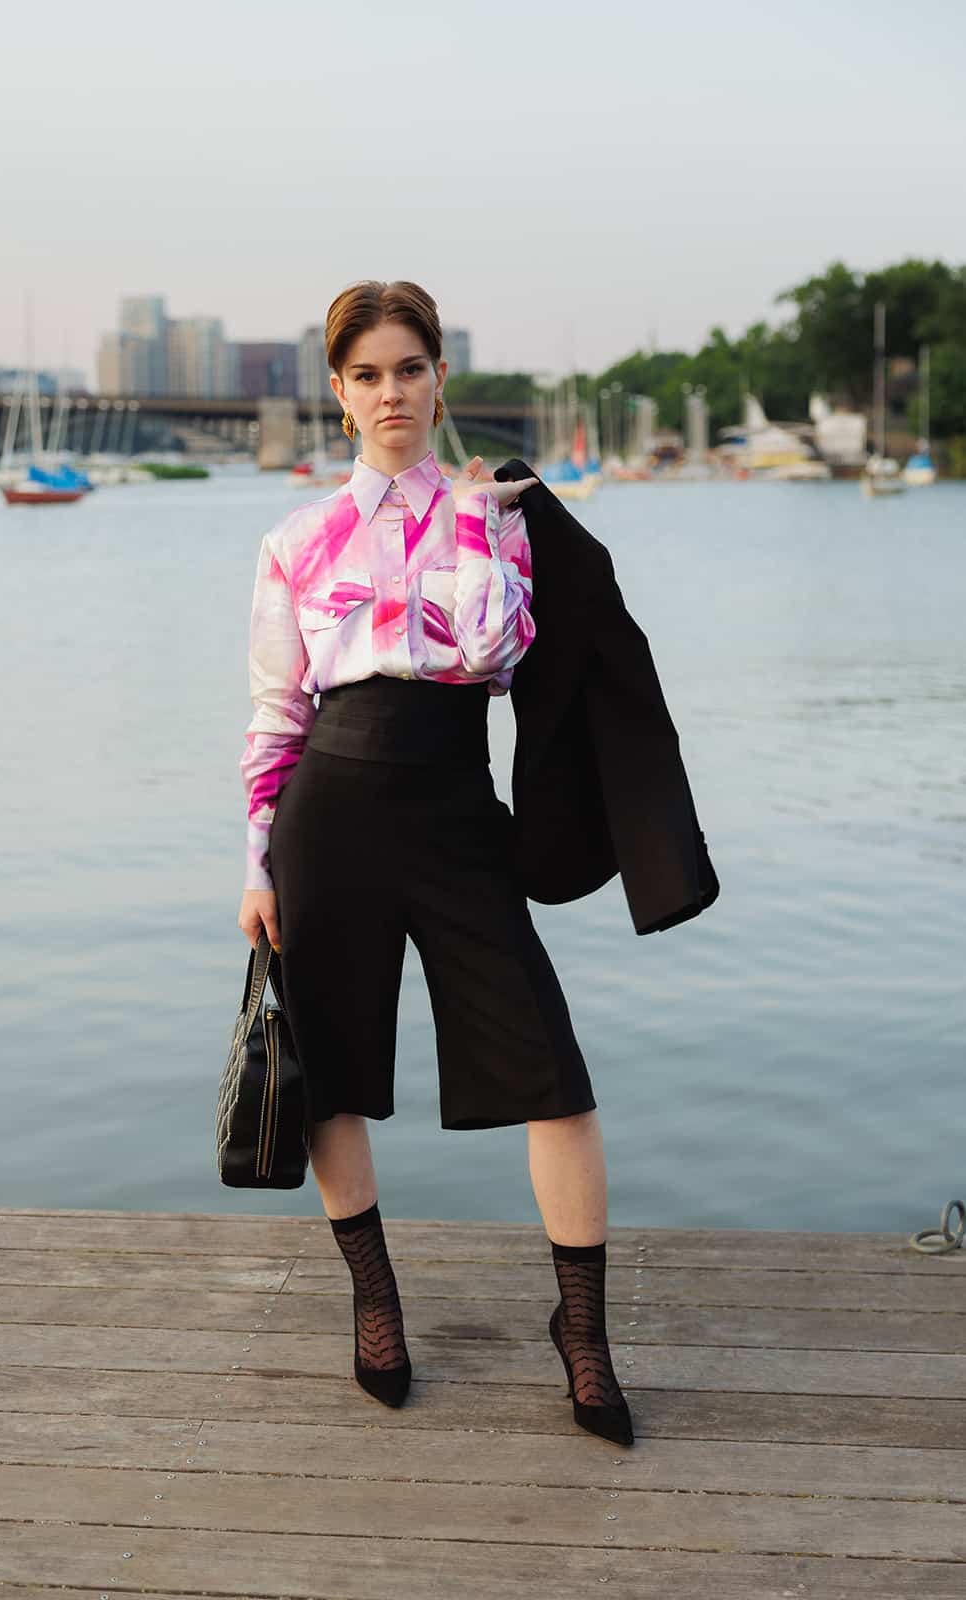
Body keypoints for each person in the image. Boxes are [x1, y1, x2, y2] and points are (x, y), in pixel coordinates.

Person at [237, 279, 632, 1446]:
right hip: (329, 810)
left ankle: (584, 1334)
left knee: (549, 1071)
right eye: (366, 374)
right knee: (331, 1070)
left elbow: (489, 652)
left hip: (459, 806)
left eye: (409, 368)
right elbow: (273, 715)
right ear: (338, 392)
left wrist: (469, 520)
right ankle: (373, 1302)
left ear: (439, 377)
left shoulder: (495, 510)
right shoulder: (294, 540)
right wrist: (254, 862)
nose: (390, 392)